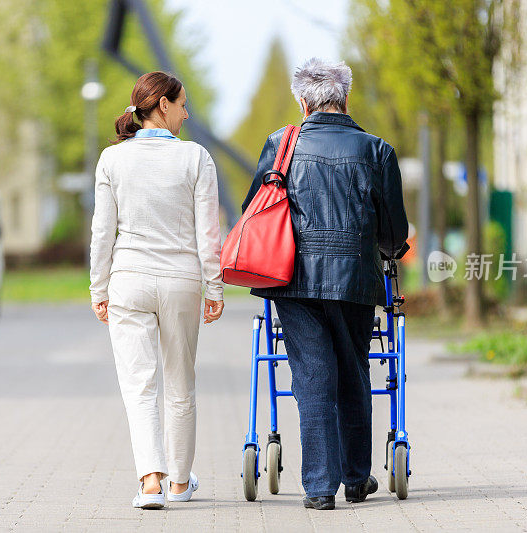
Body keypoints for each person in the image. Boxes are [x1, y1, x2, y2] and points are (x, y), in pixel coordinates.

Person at [242, 58, 409, 510]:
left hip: (291, 279)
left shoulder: (281, 145)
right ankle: (356, 479)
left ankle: (318, 487)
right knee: (354, 371)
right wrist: (389, 252)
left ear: (302, 101)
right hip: (355, 278)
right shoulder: (378, 151)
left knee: (312, 375)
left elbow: (253, 209)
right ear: (346, 98)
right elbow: (395, 232)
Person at [89, 71, 224, 510]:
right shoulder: (196, 158)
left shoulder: (112, 160)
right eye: (183, 104)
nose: (187, 113)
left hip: (128, 281)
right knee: (181, 384)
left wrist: (98, 287)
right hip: (182, 282)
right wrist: (215, 287)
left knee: (139, 385)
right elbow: (208, 233)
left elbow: (102, 233)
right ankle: (180, 484)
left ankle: (150, 482)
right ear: (162, 105)